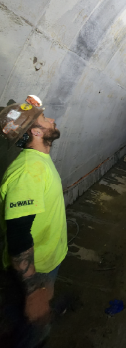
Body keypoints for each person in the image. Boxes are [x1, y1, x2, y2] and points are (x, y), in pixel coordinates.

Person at [0, 95, 67, 347]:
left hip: (47, 261)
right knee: (30, 332)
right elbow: (18, 236)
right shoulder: (29, 171)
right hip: (35, 269)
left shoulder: (39, 162)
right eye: (44, 118)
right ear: (37, 131)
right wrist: (33, 290)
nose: (51, 119)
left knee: (32, 322)